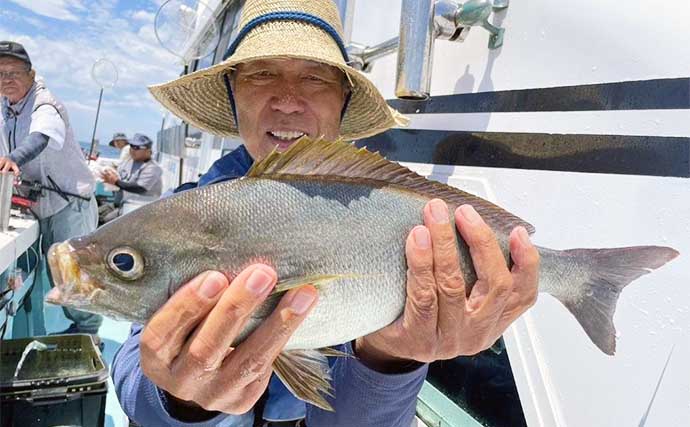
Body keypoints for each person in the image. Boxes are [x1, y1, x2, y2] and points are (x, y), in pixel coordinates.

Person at [111, 1, 540, 426]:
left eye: (315, 77)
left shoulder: (381, 211)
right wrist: (181, 399)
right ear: (233, 92)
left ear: (343, 98)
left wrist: (390, 358)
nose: (288, 100)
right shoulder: (187, 211)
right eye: (261, 73)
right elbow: (134, 378)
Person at [0, 41, 102, 335]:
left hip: (70, 206)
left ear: (31, 75)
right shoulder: (6, 105)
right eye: (0, 73)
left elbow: (41, 136)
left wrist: (13, 159)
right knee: (51, 274)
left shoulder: (46, 103)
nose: (7, 80)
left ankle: (89, 334)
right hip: (38, 205)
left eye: (14, 73)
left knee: (74, 276)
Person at [99, 133, 162, 223]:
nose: (132, 150)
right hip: (123, 204)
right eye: (132, 146)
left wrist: (115, 181)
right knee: (97, 216)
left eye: (137, 147)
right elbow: (119, 175)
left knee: (105, 222)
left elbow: (140, 188)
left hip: (139, 210)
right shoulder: (130, 163)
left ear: (148, 150)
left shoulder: (153, 168)